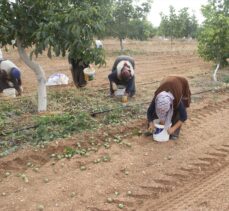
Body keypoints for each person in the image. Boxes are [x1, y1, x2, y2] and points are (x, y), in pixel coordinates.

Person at [147, 76, 191, 140]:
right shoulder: (157, 98)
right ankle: (152, 129)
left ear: (171, 105)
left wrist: (173, 128)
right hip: (166, 81)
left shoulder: (177, 99)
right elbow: (149, 111)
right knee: (155, 113)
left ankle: (174, 133)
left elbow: (184, 117)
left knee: (178, 113)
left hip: (181, 83)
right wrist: (151, 123)